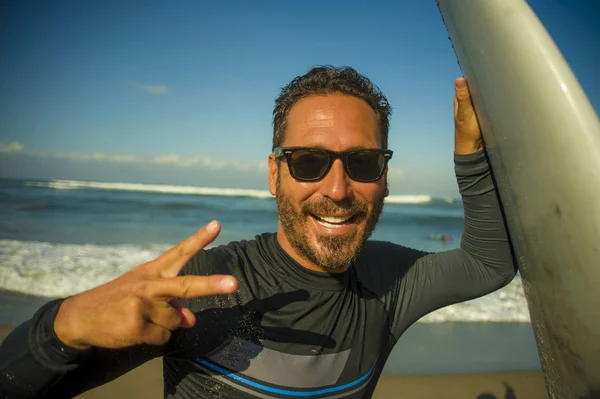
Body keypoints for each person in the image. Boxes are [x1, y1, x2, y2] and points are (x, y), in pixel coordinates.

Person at [0, 66, 516, 399]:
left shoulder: (391, 281)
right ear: (274, 175)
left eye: (361, 162)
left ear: (383, 177)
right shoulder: (205, 285)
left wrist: (471, 152)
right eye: (309, 161)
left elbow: (487, 264)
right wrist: (58, 329)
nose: (338, 189)